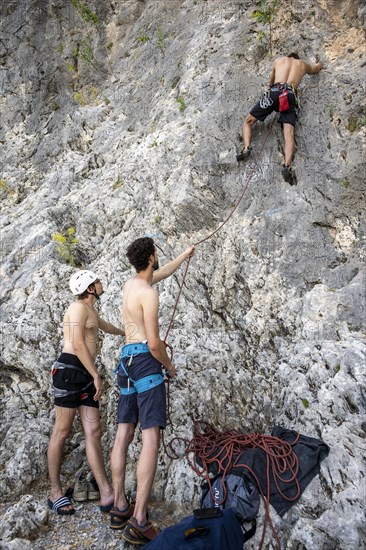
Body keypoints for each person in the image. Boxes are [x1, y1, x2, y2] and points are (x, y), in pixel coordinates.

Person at [110, 238, 195, 545]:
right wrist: (169, 368)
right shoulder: (149, 293)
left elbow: (165, 272)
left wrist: (184, 255)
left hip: (126, 360)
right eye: (157, 253)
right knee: (151, 437)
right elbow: (156, 344)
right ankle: (140, 519)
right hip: (146, 361)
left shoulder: (132, 284)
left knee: (123, 433)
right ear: (150, 257)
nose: (160, 257)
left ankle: (120, 506)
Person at [47, 270, 125, 515]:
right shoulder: (77, 309)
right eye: (98, 281)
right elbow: (77, 343)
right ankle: (55, 492)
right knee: (62, 430)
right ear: (90, 288)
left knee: (93, 430)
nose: (102, 283)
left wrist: (128, 333)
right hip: (70, 371)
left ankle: (106, 491)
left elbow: (107, 327)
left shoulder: (92, 310)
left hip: (84, 373)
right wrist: (95, 374)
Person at [237, 53, 323, 184]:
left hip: (274, 92)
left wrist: (272, 90)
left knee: (248, 121)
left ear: (287, 57)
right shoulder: (302, 64)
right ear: (297, 58)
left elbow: (271, 82)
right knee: (289, 134)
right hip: (290, 96)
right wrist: (320, 64)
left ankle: (246, 148)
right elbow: (314, 70)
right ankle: (287, 166)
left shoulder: (278, 61)